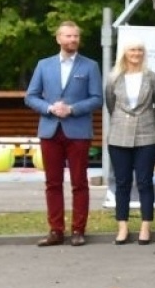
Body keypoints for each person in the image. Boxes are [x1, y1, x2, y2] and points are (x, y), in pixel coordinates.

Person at [25, 20, 103, 247]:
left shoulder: (90, 66)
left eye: (76, 37)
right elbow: (31, 96)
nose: (72, 40)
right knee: (53, 182)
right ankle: (55, 230)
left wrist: (72, 109)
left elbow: (97, 98)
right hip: (50, 130)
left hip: (78, 131)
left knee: (79, 182)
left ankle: (79, 230)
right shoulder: (44, 65)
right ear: (58, 39)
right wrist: (49, 108)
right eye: (68, 36)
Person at [103, 42, 155, 245]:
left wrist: (147, 121)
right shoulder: (113, 79)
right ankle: (122, 227)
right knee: (122, 183)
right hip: (119, 136)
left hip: (147, 136)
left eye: (139, 50)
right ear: (124, 54)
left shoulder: (153, 78)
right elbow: (111, 105)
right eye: (132, 50)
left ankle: (146, 227)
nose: (136, 53)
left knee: (145, 182)